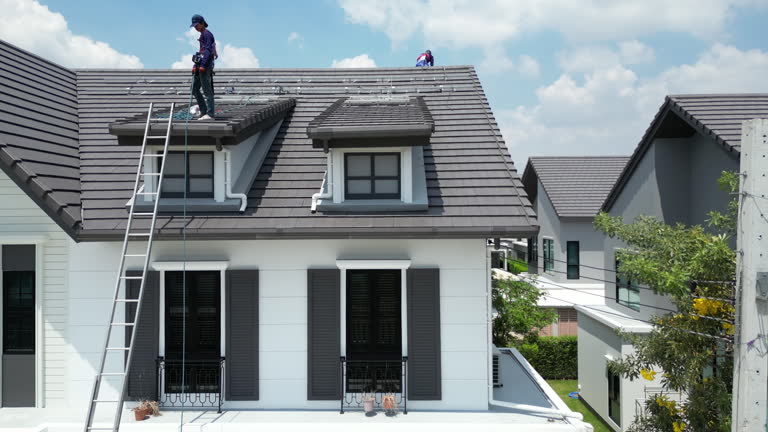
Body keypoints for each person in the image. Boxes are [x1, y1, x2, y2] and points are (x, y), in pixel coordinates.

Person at [190, 14, 216, 120]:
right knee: (194, 89)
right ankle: (203, 111)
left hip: (205, 66)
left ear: (202, 23)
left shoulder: (207, 34)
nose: (195, 27)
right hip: (200, 65)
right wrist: (195, 65)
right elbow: (201, 52)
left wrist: (204, 65)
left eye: (196, 25)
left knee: (207, 91)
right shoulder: (202, 35)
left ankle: (210, 114)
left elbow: (208, 51)